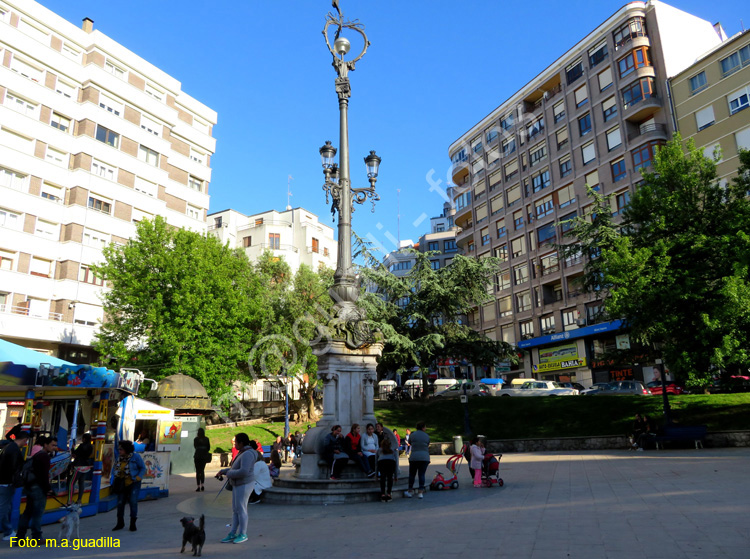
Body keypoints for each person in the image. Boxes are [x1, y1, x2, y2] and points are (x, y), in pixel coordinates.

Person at [217, 433, 257, 544]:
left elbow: (244, 471)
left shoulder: (248, 454)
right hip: (237, 484)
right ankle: (233, 532)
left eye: (236, 442)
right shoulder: (242, 452)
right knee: (236, 510)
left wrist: (229, 473)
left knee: (241, 509)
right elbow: (236, 467)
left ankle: (243, 534)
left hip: (244, 484)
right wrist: (225, 471)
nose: (234, 444)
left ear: (241, 443)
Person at [17, 435, 57, 542]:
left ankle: (20, 536)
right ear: (45, 445)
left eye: (55, 445)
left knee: (27, 512)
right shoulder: (44, 457)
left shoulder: (38, 455)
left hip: (30, 486)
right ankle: (36, 536)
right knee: (38, 513)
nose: (54, 447)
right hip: (38, 489)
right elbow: (43, 475)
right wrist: (48, 488)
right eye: (52, 445)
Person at [0, 430, 30, 541]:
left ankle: (8, 531)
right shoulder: (15, 450)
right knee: (3, 508)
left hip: (4, 481)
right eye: (26, 441)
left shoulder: (8, 447)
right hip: (6, 482)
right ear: (24, 440)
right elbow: (14, 468)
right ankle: (7, 531)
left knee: (5, 507)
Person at [112, 440, 146, 532]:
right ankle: (120, 523)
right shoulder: (119, 458)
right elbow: (114, 468)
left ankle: (132, 523)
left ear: (127, 449)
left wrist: (138, 477)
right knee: (120, 503)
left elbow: (143, 468)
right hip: (121, 484)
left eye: (121, 449)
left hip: (133, 483)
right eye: (119, 449)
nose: (119, 451)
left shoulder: (135, 457)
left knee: (133, 502)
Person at [404, 422, 430, 499]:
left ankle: (410, 491)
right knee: (421, 474)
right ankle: (420, 492)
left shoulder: (412, 435)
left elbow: (409, 443)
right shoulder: (427, 436)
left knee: (412, 474)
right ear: (423, 428)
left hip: (414, 457)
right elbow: (427, 444)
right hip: (424, 457)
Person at [71, 433, 93, 505]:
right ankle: (79, 500)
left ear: (84, 439)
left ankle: (69, 500)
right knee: (81, 483)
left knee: (71, 483)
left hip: (78, 466)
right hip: (86, 466)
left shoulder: (81, 446)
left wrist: (72, 448)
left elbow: (75, 454)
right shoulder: (91, 447)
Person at [376, 437, 398, 502]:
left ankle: (382, 494)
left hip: (382, 462)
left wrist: (376, 474)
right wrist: (396, 476)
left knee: (382, 477)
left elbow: (376, 463)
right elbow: (396, 464)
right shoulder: (393, 450)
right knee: (390, 477)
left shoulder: (379, 450)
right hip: (391, 463)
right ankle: (389, 494)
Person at [193, 428, 211, 492]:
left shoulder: (196, 439)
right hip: (204, 456)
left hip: (197, 456)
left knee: (198, 471)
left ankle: (198, 486)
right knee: (202, 470)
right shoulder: (206, 439)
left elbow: (195, 446)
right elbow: (208, 447)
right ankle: (202, 485)